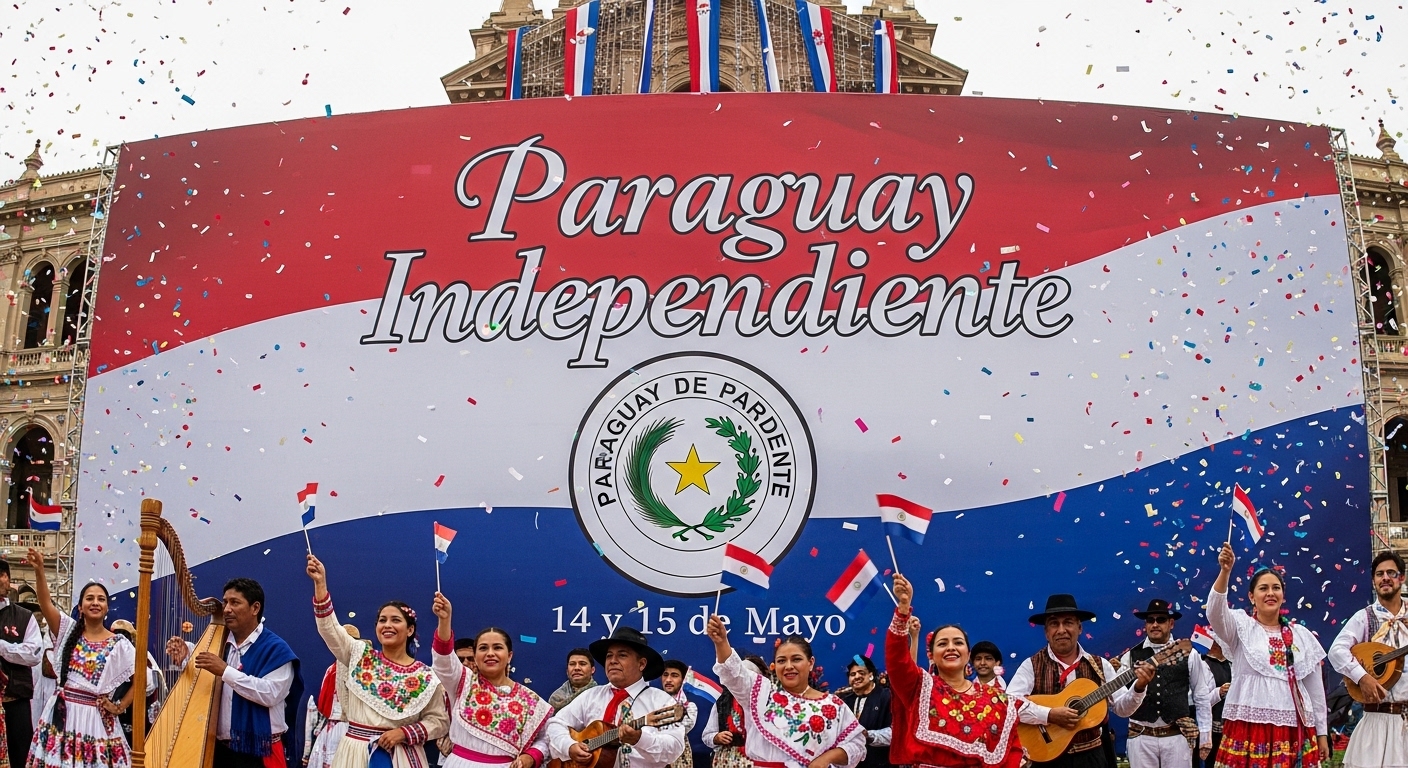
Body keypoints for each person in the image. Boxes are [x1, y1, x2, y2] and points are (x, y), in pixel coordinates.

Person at [306, 554, 448, 768]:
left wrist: (404, 732)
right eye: (382, 620)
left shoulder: (425, 676)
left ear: (410, 630)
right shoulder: (359, 654)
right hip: (354, 753)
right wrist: (320, 584)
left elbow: (439, 721)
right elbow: (330, 629)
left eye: (395, 620)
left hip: (400, 756)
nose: (387, 625)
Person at [1208, 542, 1328, 768]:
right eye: (1263, 588)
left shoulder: (1301, 636)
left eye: (1276, 588)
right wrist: (1225, 572)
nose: (1270, 593)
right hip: (1250, 727)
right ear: (1252, 597)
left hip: (1295, 729)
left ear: (1283, 596)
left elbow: (1315, 690)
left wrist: (1321, 733)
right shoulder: (1240, 628)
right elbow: (1214, 613)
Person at [884, 574, 1022, 768]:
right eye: (942, 644)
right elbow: (897, 661)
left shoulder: (998, 701)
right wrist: (903, 609)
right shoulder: (920, 688)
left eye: (958, 642)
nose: (950, 647)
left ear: (968, 655)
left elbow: (1012, 752)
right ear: (932, 655)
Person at [165, 576, 304, 768]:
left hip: (260, 753)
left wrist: (225, 671)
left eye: (234, 602)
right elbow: (204, 680)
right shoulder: (220, 643)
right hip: (221, 752)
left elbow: (270, 694)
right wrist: (185, 657)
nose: (226, 609)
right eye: (225, 602)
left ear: (255, 608)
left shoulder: (277, 649)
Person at [1007, 594, 1154, 768]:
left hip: (1091, 758)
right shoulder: (1031, 666)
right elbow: (1009, 705)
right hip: (1048, 758)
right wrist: (1049, 715)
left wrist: (1139, 687)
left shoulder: (1100, 666)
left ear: (1080, 628)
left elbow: (1122, 709)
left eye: (1068, 622)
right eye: (1054, 624)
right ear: (1046, 632)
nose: (1061, 630)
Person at [705, 614, 865, 768]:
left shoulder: (833, 705)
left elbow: (856, 745)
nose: (789, 666)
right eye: (782, 661)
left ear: (811, 663)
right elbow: (735, 674)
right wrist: (721, 642)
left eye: (796, 659)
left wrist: (826, 758)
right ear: (775, 666)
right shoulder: (760, 693)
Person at [24, 548, 135, 768]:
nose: (95, 602)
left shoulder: (119, 644)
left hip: (96, 720)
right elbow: (46, 604)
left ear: (106, 608)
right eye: (90, 598)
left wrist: (119, 706)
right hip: (62, 717)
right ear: (80, 607)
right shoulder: (67, 630)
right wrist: (39, 572)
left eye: (101, 599)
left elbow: (142, 680)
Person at [428, 590, 551, 768]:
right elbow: (443, 661)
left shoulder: (529, 700)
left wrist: (530, 757)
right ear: (476, 655)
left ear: (509, 656)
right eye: (483, 648)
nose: (490, 653)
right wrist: (445, 620)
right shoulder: (463, 682)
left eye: (497, 647)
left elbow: (545, 738)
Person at [546, 627, 685, 768]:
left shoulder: (662, 702)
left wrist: (640, 739)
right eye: (609, 656)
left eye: (622, 655)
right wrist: (569, 747)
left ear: (641, 664)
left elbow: (675, 748)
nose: (612, 661)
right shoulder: (591, 696)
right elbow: (555, 724)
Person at [1328, 550, 1406, 768]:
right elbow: (1337, 651)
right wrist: (1362, 677)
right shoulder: (1365, 617)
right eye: (1380, 574)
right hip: (1377, 722)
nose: (1385, 578)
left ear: (1402, 578)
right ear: (1374, 581)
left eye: (1392, 572)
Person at [1118, 600, 1215, 768]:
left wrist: (1205, 736)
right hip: (1141, 737)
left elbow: (1201, 695)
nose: (1155, 624)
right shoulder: (1130, 656)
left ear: (1171, 623)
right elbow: (1119, 702)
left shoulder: (1188, 654)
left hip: (1176, 737)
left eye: (1160, 619)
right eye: (1150, 620)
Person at [0, 557, 44, 765]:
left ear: (8, 580)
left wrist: (2, 647)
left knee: (20, 758)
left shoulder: (24, 617)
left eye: (2, 574)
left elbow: (33, 654)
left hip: (14, 702)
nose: (0, 579)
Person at [305, 625, 361, 768]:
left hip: (355, 729)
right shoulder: (332, 671)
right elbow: (322, 704)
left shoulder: (364, 670)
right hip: (337, 728)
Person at [700, 656, 766, 768]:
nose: (742, 682)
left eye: (747, 678)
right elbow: (707, 735)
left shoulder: (769, 702)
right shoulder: (722, 703)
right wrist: (716, 737)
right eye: (739, 678)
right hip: (726, 761)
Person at [106, 621, 161, 747]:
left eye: (124, 636)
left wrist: (120, 705)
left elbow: (149, 684)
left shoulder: (141, 655)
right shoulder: (110, 655)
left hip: (137, 712)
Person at [838, 657, 890, 768]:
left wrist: (868, 735)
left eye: (861, 673)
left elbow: (896, 733)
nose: (856, 677)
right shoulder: (845, 701)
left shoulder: (886, 697)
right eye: (852, 674)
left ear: (871, 675)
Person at [1198, 631, 1232, 768]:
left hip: (1233, 726)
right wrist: (1219, 692)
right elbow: (1200, 700)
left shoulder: (1233, 663)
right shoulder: (1204, 664)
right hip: (1215, 728)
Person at [659, 661, 697, 768]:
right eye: (665, 675)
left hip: (679, 758)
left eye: (674, 676)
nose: (668, 680)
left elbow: (683, 729)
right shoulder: (652, 703)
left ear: (682, 680)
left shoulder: (689, 707)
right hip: (654, 753)